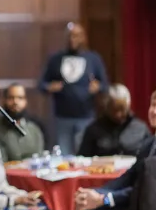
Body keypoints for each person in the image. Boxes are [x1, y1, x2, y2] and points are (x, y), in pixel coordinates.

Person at [38, 22, 109, 155]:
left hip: (86, 117)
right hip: (62, 118)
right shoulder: (56, 59)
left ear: (83, 37)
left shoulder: (93, 59)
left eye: (76, 36)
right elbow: (41, 85)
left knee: (84, 156)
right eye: (70, 36)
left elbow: (105, 85)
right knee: (63, 158)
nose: (72, 39)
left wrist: (98, 87)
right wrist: (49, 87)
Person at [77, 83, 150, 157]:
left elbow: (150, 157)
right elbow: (82, 159)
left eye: (122, 109)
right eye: (114, 110)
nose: (118, 114)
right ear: (107, 107)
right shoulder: (93, 130)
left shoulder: (141, 129)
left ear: (128, 106)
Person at [0, 83, 46, 162]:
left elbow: (40, 158)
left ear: (26, 101)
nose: (15, 102)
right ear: (3, 100)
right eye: (11, 98)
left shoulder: (34, 129)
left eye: (20, 98)